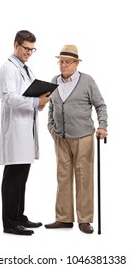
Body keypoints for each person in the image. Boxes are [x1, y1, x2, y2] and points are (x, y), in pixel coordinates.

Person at [45, 45, 108, 234]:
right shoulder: (54, 81)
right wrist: (52, 128)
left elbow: (100, 105)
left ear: (76, 63)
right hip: (61, 138)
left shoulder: (87, 81)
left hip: (83, 137)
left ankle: (85, 219)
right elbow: (50, 106)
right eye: (61, 62)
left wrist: (102, 126)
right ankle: (64, 219)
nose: (63, 65)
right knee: (62, 178)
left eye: (67, 62)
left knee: (84, 178)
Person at [0, 30, 50, 235]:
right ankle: (10, 223)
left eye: (32, 49)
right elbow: (8, 98)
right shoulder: (8, 69)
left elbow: (28, 95)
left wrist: (41, 101)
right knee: (13, 178)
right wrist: (36, 101)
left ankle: (19, 216)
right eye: (26, 48)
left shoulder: (26, 69)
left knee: (22, 178)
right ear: (16, 44)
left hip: (27, 129)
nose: (29, 52)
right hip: (16, 132)